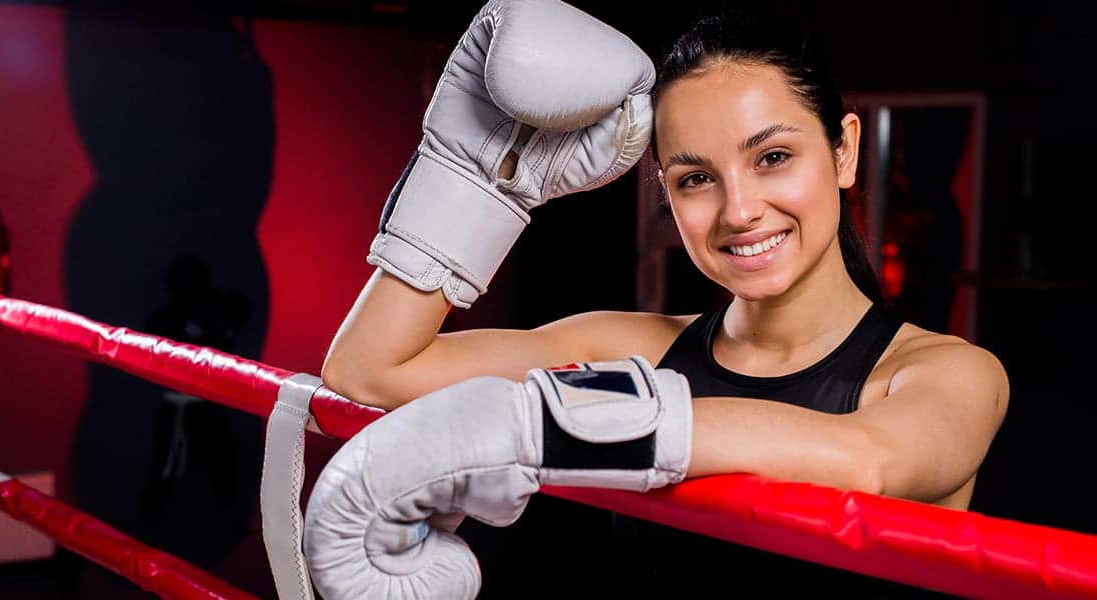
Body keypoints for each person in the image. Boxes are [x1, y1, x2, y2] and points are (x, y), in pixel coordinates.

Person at [313, 1, 1010, 597]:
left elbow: (865, 461)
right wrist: (476, 181)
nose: (739, 211)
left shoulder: (950, 373)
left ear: (845, 151)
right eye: (695, 178)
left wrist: (532, 428)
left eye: (773, 157)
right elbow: (370, 368)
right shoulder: (636, 351)